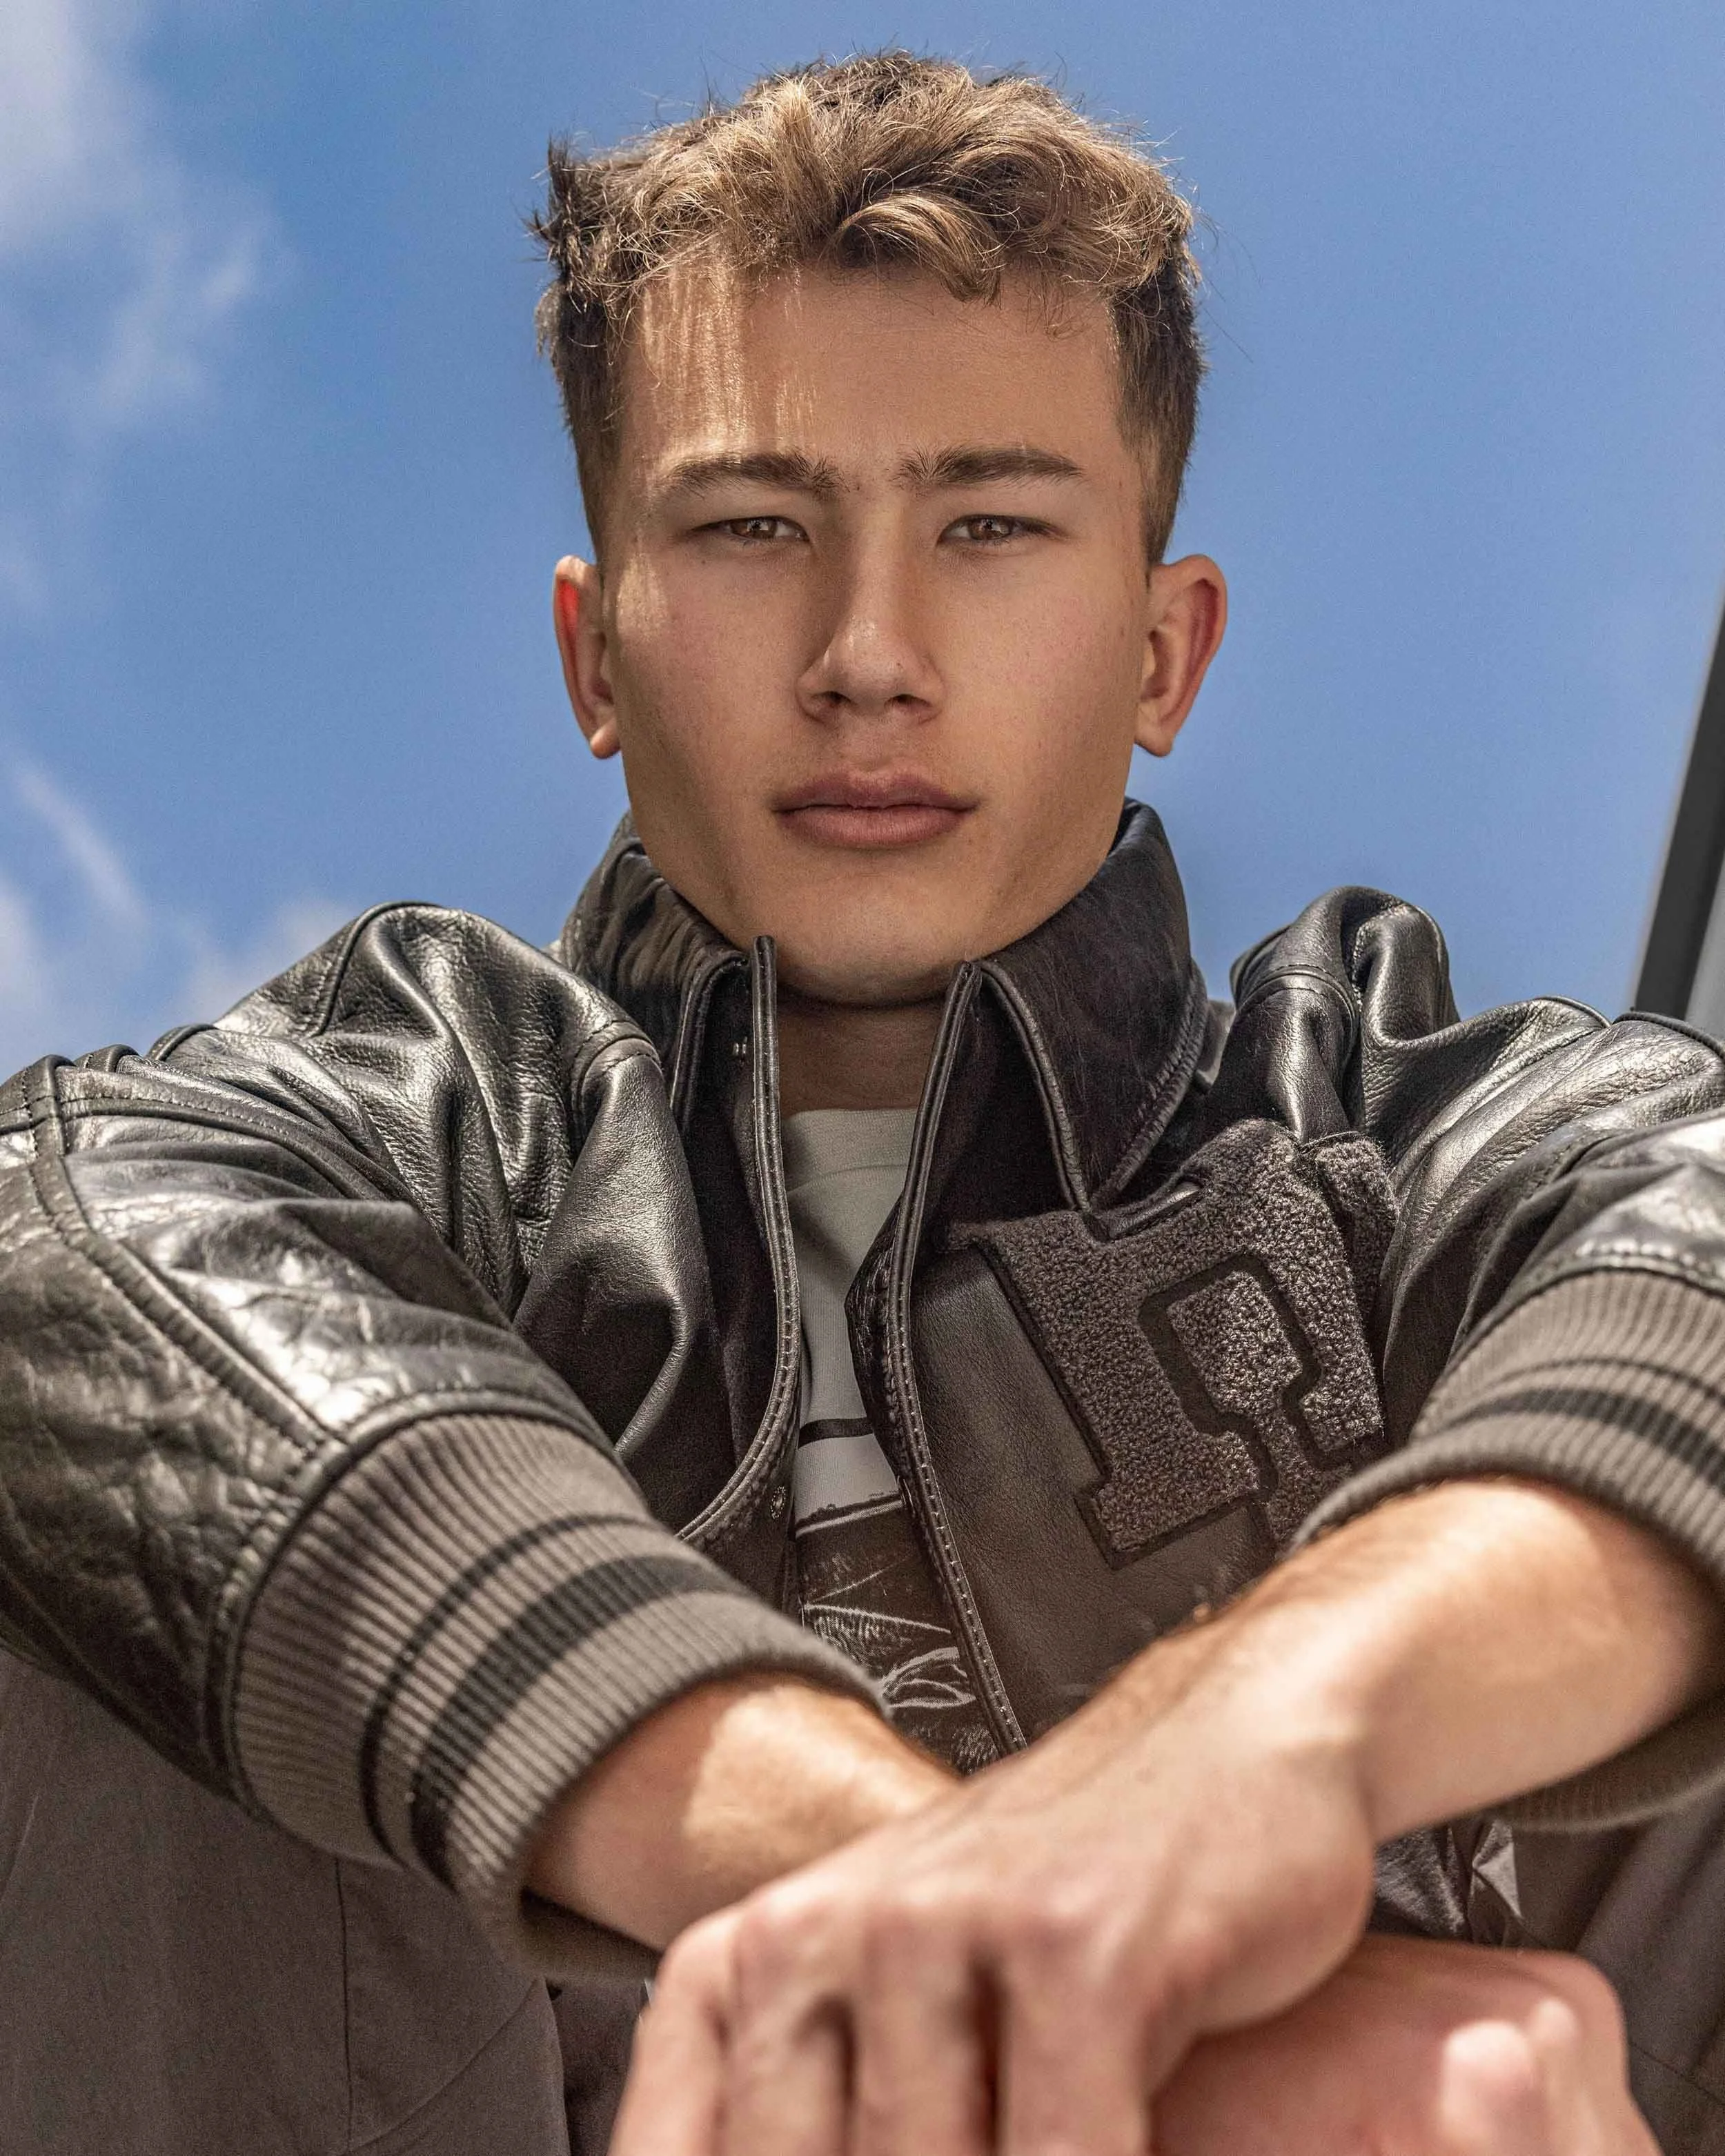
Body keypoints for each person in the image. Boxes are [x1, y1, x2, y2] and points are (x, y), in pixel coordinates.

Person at [0, 48, 1719, 2156]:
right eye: (748, 526)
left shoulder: (1372, 1097)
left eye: (989, 524)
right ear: (595, 653)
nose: (869, 652)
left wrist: (1277, 1726)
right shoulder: (421, 1099)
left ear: (1164, 648)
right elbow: (59, 1235)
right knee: (110, 1547)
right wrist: (943, 1912)